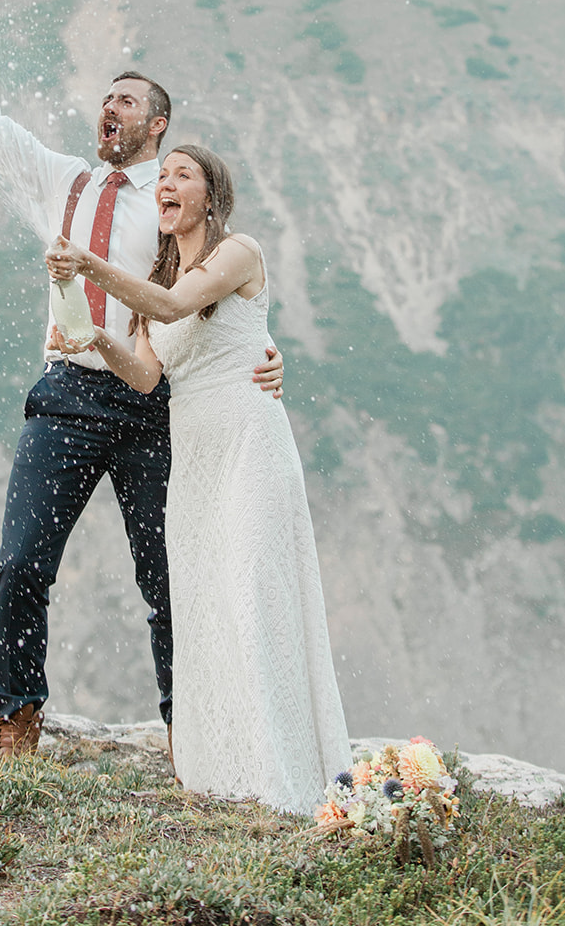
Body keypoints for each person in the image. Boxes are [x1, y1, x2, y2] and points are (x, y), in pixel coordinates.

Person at [0, 0, 284, 757]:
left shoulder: (173, 203)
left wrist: (263, 358)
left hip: (153, 402)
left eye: (124, 100)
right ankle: (16, 719)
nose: (108, 108)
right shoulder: (62, 182)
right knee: (20, 562)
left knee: (167, 582)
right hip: (66, 391)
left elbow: (212, 293)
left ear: (156, 123)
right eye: (104, 100)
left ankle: (189, 734)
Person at [46, 143, 350, 812]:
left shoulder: (238, 251)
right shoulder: (156, 281)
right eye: (165, 176)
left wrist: (90, 264)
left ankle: (285, 778)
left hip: (247, 439)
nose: (168, 183)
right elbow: (149, 376)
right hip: (196, 456)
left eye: (183, 174)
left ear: (210, 196)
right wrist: (96, 339)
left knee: (252, 589)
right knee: (207, 602)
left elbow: (177, 305)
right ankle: (225, 774)